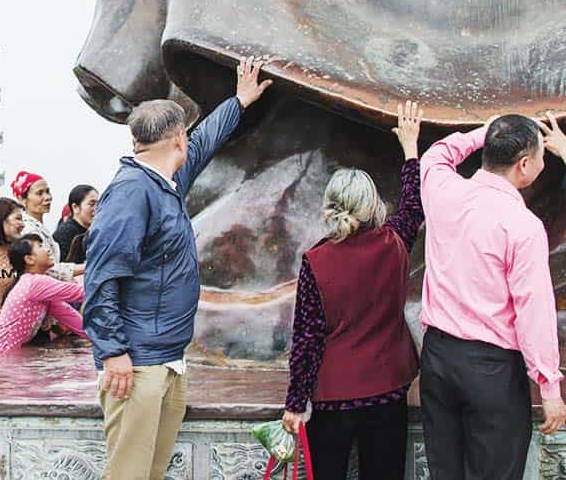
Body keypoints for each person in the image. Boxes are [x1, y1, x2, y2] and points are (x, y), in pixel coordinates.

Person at [84, 56, 271, 480]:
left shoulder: (164, 182)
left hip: (167, 359)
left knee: (151, 473)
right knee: (129, 474)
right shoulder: (132, 192)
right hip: (138, 364)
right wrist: (113, 352)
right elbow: (101, 278)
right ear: (177, 141)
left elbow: (204, 141)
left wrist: (238, 102)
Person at [417, 113, 565, 478]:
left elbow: (436, 154)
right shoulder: (523, 226)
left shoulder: (442, 190)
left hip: (437, 357)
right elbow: (534, 311)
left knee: (445, 471)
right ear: (525, 165)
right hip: (491, 370)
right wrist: (548, 386)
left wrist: (489, 131)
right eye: (541, 155)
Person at [281, 102, 424, 479]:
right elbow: (414, 204)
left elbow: (307, 340)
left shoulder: (317, 261)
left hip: (332, 397)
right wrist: (410, 149)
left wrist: (295, 403)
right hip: (388, 389)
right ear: (372, 203)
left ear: (330, 206)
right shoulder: (395, 242)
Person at [0, 235, 87, 356]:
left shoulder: (38, 288)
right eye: (40, 246)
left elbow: (72, 318)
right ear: (29, 259)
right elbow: (81, 292)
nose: (47, 250)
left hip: (6, 353)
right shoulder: (36, 283)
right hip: (1, 354)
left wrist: (99, 337)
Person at [11, 172, 83, 280]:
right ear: (22, 199)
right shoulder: (27, 229)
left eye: (48, 191)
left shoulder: (39, 227)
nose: (48, 197)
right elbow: (46, 269)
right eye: (39, 193)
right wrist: (87, 267)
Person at [0, 197, 26, 319]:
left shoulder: (21, 251)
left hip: (17, 327)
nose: (22, 224)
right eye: (18, 219)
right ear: (0, 220)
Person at [53, 185, 99, 262]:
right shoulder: (65, 232)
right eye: (91, 204)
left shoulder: (95, 230)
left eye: (98, 204)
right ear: (75, 207)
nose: (96, 209)